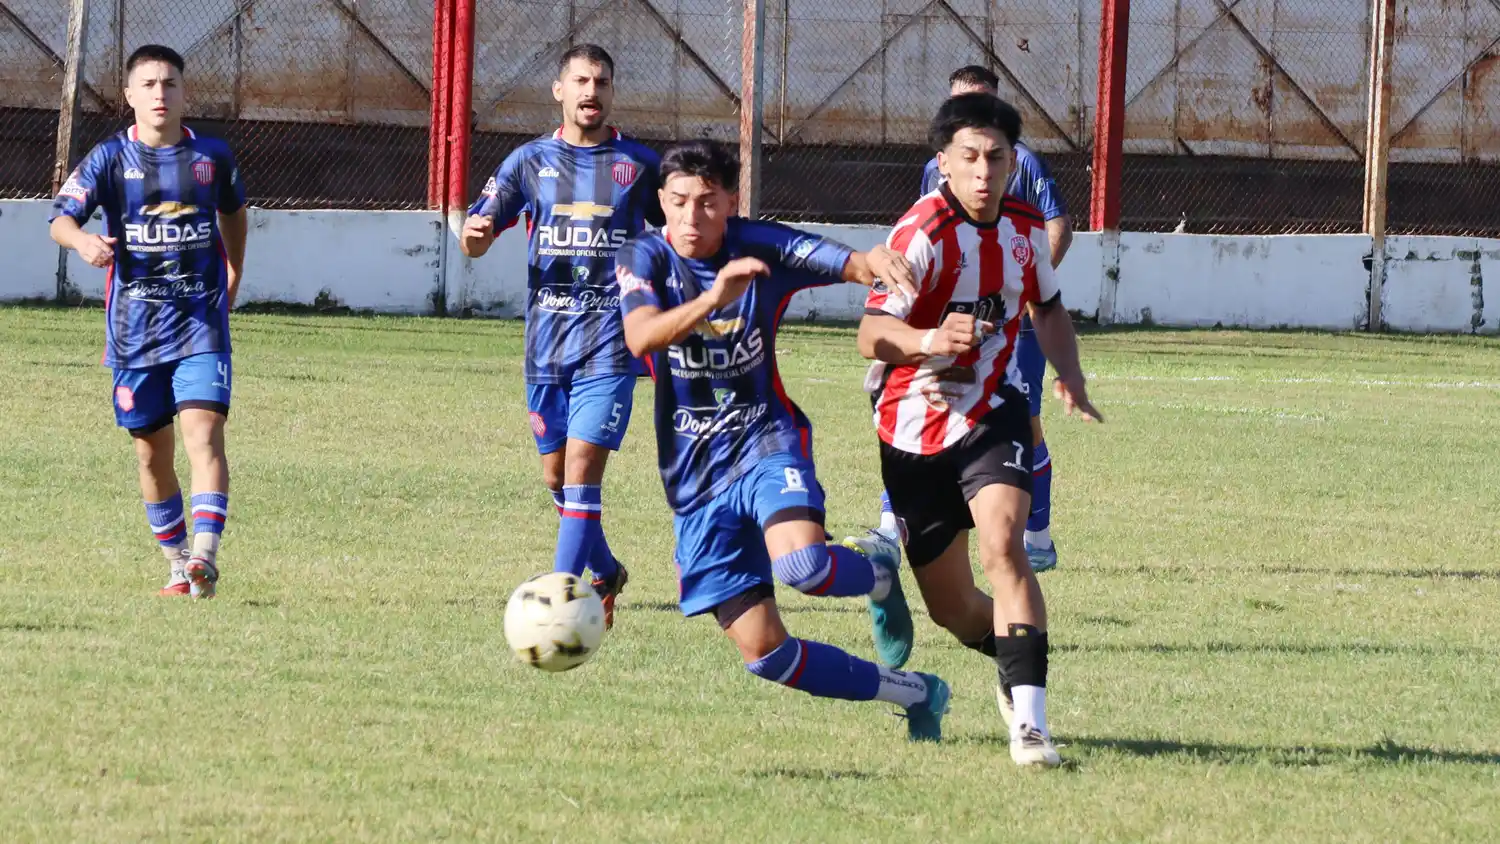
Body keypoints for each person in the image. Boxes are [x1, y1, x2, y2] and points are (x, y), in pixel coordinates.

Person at [616, 139, 952, 740]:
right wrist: (712, 299)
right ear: (661, 203)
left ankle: (874, 570)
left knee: (802, 564)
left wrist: (878, 257)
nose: (691, 218)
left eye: (707, 202)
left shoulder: (760, 245)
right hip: (694, 477)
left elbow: (851, 264)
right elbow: (641, 338)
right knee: (767, 655)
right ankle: (918, 691)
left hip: (766, 440)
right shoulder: (642, 258)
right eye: (678, 203)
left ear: (730, 201)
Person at [856, 93, 1102, 766]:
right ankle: (1007, 652)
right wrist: (930, 337)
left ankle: (1031, 726)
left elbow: (1047, 309)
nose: (984, 170)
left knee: (1004, 546)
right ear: (944, 164)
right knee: (954, 607)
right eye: (969, 157)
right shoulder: (921, 234)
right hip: (911, 427)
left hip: (993, 409)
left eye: (997, 157)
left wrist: (1069, 374)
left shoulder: (1025, 229)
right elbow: (871, 335)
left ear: (1013, 162)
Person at [459, 44, 663, 628]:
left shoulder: (639, 165)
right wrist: (473, 237)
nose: (590, 91)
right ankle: (605, 571)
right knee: (556, 476)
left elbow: (679, 230)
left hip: (610, 342)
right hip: (545, 346)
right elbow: (479, 230)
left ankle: (559, 602)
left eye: (601, 81)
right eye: (580, 80)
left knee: (581, 468)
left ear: (611, 92)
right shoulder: (528, 161)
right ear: (560, 90)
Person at [48, 44, 247, 599]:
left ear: (184, 94)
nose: (161, 94)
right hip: (134, 332)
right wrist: (83, 240)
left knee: (204, 434)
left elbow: (233, 215)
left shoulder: (212, 157)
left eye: (171, 84)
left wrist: (234, 271)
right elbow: (59, 220)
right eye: (150, 85)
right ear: (130, 96)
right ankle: (177, 563)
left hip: (200, 323)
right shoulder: (110, 159)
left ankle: (205, 556)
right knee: (150, 454)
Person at [876, 64, 1074, 572]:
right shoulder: (936, 168)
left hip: (1007, 323)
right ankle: (889, 527)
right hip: (942, 329)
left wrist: (1028, 286)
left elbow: (1057, 225)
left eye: (976, 102)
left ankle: (1038, 537)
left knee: (1024, 423)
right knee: (923, 406)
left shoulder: (1021, 161)